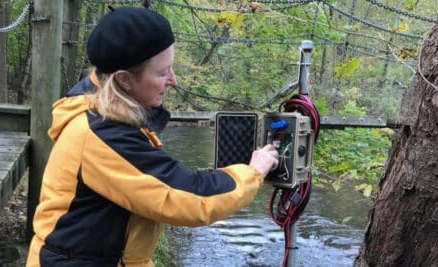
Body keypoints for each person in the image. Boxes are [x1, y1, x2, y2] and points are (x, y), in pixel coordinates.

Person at [26, 6, 278, 267]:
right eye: (162, 73)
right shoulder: (101, 134)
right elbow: (191, 198)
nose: (174, 80)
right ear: (123, 80)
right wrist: (253, 172)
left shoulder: (107, 113)